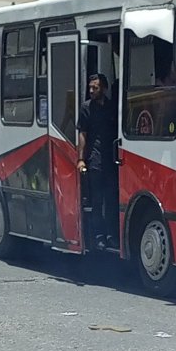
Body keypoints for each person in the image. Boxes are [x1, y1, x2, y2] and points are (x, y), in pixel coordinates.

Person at [76, 73, 119, 250]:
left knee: (111, 200)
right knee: (97, 201)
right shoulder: (86, 108)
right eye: (90, 87)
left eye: (96, 87)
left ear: (104, 88)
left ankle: (111, 234)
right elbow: (82, 134)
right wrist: (81, 159)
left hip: (112, 160)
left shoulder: (112, 107)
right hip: (94, 160)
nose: (92, 91)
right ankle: (98, 235)